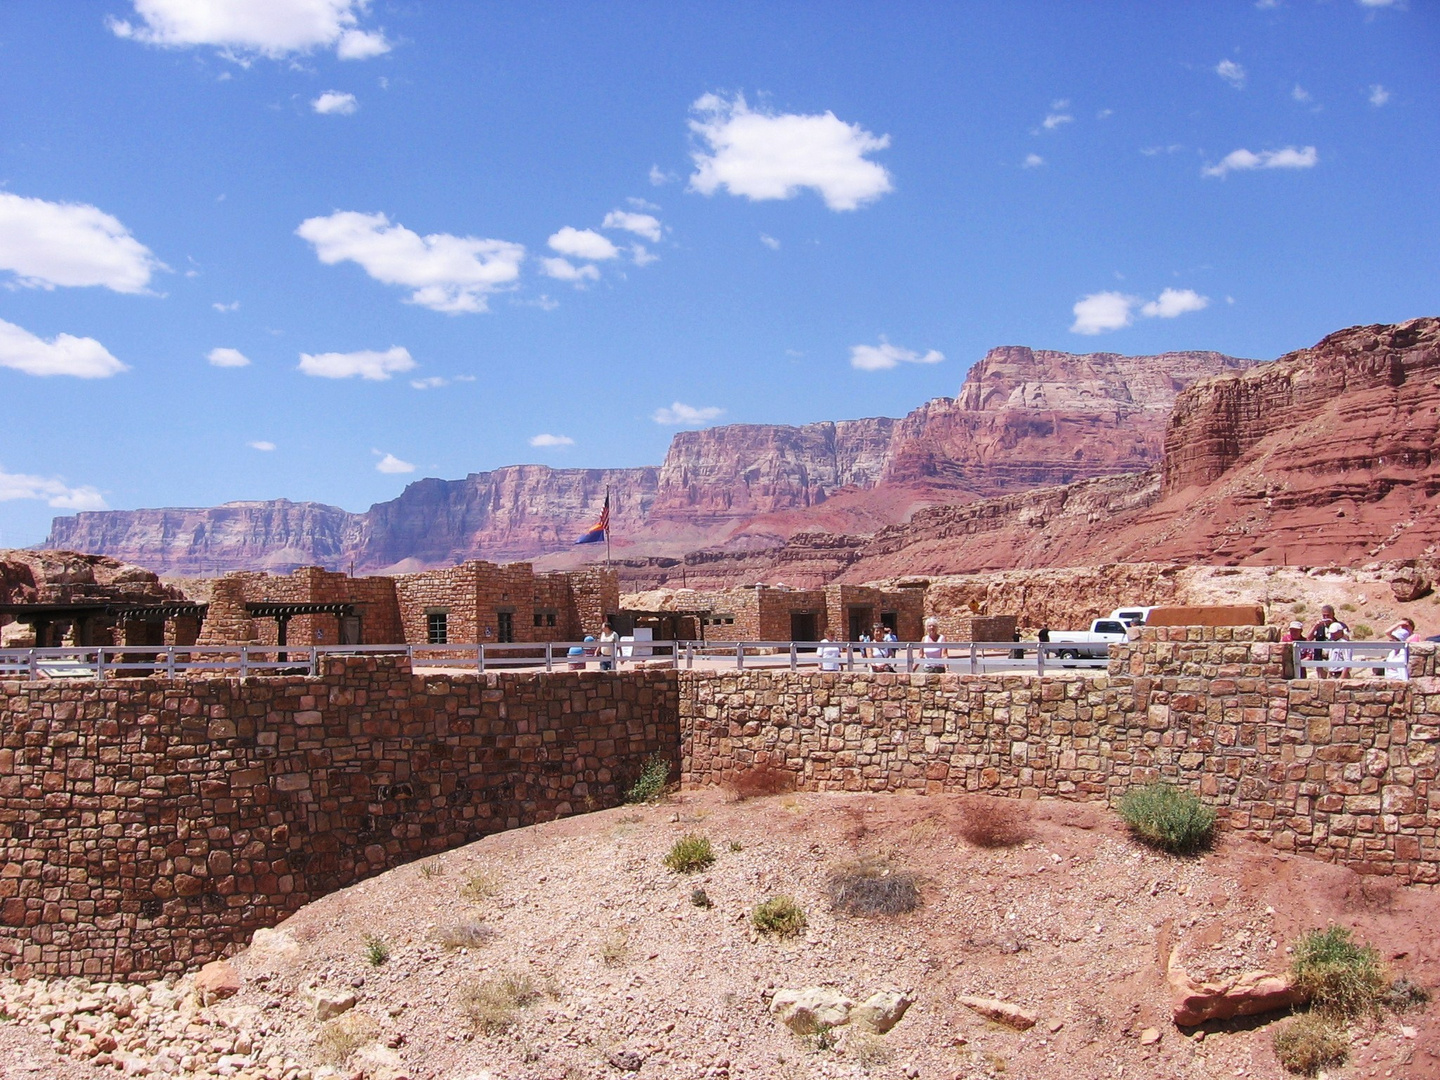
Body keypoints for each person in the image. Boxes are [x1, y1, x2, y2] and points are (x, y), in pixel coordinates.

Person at [1308, 605, 1346, 678]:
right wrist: (1315, 626)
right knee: (1321, 682)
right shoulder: (1319, 627)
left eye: (1328, 615)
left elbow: (1346, 639)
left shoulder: (1340, 626)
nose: (1325, 618)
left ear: (1333, 614)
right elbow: (1309, 638)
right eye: (1324, 616)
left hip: (1336, 659)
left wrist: (1336, 629)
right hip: (1321, 659)